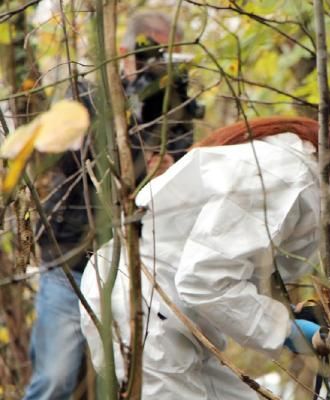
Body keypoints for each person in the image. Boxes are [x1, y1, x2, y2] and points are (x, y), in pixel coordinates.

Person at [80, 99, 330, 398]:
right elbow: (204, 281)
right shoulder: (281, 177)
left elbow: (238, 266)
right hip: (143, 309)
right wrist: (289, 332)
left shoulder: (311, 182)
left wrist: (294, 314)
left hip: (177, 315)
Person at [23, 11, 193, 399]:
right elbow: (63, 161)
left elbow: (184, 189)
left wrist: (168, 166)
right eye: (152, 53)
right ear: (123, 52)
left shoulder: (175, 109)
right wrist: (129, 135)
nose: (160, 65)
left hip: (135, 265)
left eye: (170, 56)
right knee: (55, 378)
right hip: (72, 259)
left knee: (134, 379)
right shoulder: (86, 96)